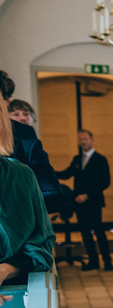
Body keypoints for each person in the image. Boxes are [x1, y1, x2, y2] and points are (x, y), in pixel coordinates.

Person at [0, 98, 54, 297]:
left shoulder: (20, 174)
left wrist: (5, 269)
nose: (21, 119)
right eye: (16, 114)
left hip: (16, 289)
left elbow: (40, 248)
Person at [0, 71, 63, 213]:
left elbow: (54, 195)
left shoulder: (25, 138)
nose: (22, 117)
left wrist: (12, 204)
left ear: (6, 102)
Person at [56, 130, 113, 271]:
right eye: (80, 139)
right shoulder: (77, 159)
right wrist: (48, 172)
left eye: (85, 139)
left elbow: (105, 182)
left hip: (93, 201)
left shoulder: (100, 159)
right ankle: (93, 261)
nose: (83, 141)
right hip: (79, 203)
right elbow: (66, 174)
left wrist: (87, 195)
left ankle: (107, 262)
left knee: (98, 231)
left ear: (92, 140)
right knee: (85, 233)